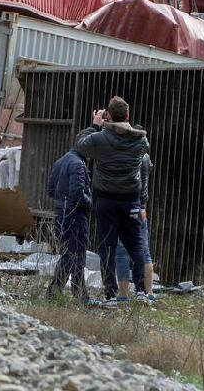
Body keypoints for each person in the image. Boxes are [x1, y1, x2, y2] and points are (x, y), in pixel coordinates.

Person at [76, 96, 154, 305]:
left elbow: (81, 146)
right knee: (136, 244)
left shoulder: (99, 139)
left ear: (108, 115)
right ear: (128, 115)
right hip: (131, 200)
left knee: (107, 247)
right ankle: (141, 292)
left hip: (106, 201)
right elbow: (143, 157)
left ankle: (111, 293)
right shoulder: (140, 140)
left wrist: (95, 125)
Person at [46, 136, 92, 302]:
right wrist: (90, 202)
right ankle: (74, 294)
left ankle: (64, 292)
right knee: (77, 255)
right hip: (75, 216)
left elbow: (50, 189)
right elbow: (78, 195)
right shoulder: (78, 164)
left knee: (69, 253)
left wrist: (61, 200)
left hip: (61, 214)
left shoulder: (62, 160)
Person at [115, 154, 155, 297]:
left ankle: (124, 294)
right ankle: (148, 292)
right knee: (145, 251)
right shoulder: (145, 157)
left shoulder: (126, 156)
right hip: (141, 208)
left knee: (121, 253)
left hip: (126, 207)